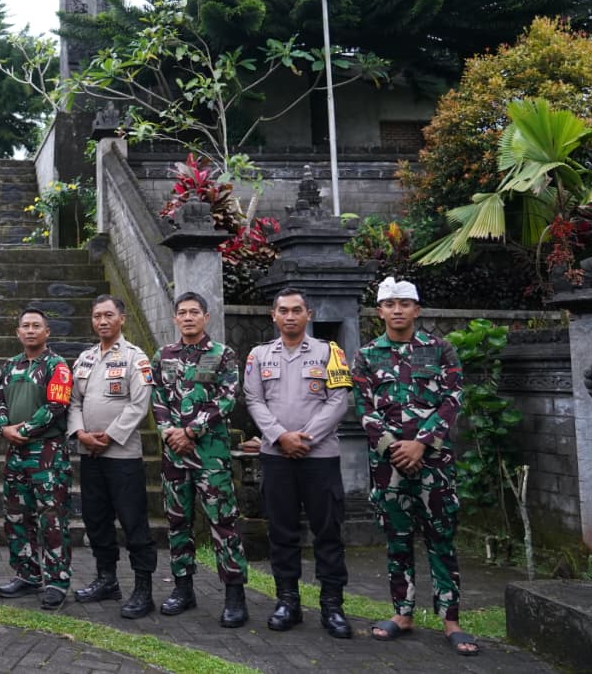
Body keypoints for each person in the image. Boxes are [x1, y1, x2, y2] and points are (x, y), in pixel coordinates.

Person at [352, 277, 478, 656]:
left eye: (404, 304)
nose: (397, 310)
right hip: (389, 466)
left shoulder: (441, 350)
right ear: (380, 311)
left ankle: (451, 619)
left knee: (441, 539)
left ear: (416, 309)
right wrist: (394, 448)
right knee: (398, 540)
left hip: (433, 465)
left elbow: (452, 398)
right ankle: (402, 612)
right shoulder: (367, 355)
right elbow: (364, 408)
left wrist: (421, 444)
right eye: (390, 304)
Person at [243, 287, 353, 639]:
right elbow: (253, 400)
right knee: (281, 531)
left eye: (297, 310)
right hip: (277, 457)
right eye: (283, 311)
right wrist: (280, 436)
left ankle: (332, 605)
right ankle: (287, 601)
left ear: (308, 314)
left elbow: (338, 401)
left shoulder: (329, 352)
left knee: (328, 531)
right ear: (273, 316)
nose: (290, 316)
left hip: (319, 456)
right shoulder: (259, 356)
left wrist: (304, 437)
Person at [150, 291, 249, 627]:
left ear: (206, 317)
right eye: (182, 312)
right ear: (175, 319)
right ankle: (183, 588)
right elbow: (157, 397)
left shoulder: (222, 354)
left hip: (210, 456)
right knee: (178, 522)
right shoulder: (163, 355)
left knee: (223, 521)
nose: (188, 317)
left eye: (195, 312)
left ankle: (235, 595)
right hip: (174, 455)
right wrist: (168, 433)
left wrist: (190, 432)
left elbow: (226, 398)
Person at [68, 294, 158, 618]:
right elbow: (73, 402)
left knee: (133, 521)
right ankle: (107, 580)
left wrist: (110, 437)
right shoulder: (85, 359)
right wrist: (80, 434)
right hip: (89, 453)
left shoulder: (136, 357)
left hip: (122, 456)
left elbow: (139, 404)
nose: (102, 321)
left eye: (108, 315)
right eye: (97, 316)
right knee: (96, 519)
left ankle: (143, 589)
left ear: (121, 319)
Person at [0, 307, 74, 610]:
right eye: (24, 326)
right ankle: (27, 574)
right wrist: (3, 428)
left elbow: (57, 405)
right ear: (17, 332)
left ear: (47, 332)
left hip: (48, 454)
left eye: (36, 326)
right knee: (16, 515)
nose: (29, 330)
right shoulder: (9, 365)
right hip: (16, 453)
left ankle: (56, 580)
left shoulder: (57, 366)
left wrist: (23, 429)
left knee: (51, 518)